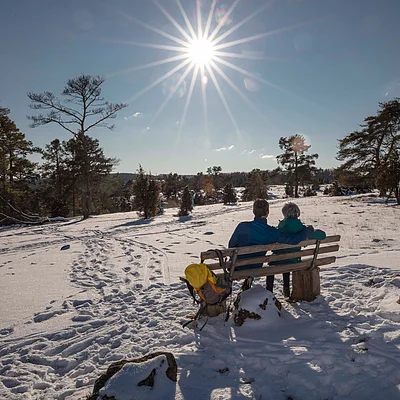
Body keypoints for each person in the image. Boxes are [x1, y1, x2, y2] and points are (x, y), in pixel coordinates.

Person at [228, 199, 325, 293]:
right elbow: (294, 240)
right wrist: (308, 230)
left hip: (236, 266)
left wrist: (232, 261)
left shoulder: (242, 226)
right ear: (267, 212)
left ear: (253, 211)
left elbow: (231, 245)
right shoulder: (271, 232)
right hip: (255, 266)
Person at [268, 202, 326, 297]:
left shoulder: (280, 228)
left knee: (275, 265)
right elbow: (322, 235)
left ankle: (269, 291)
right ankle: (286, 289)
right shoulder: (302, 229)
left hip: (277, 261)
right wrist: (310, 229)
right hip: (294, 260)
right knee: (287, 260)